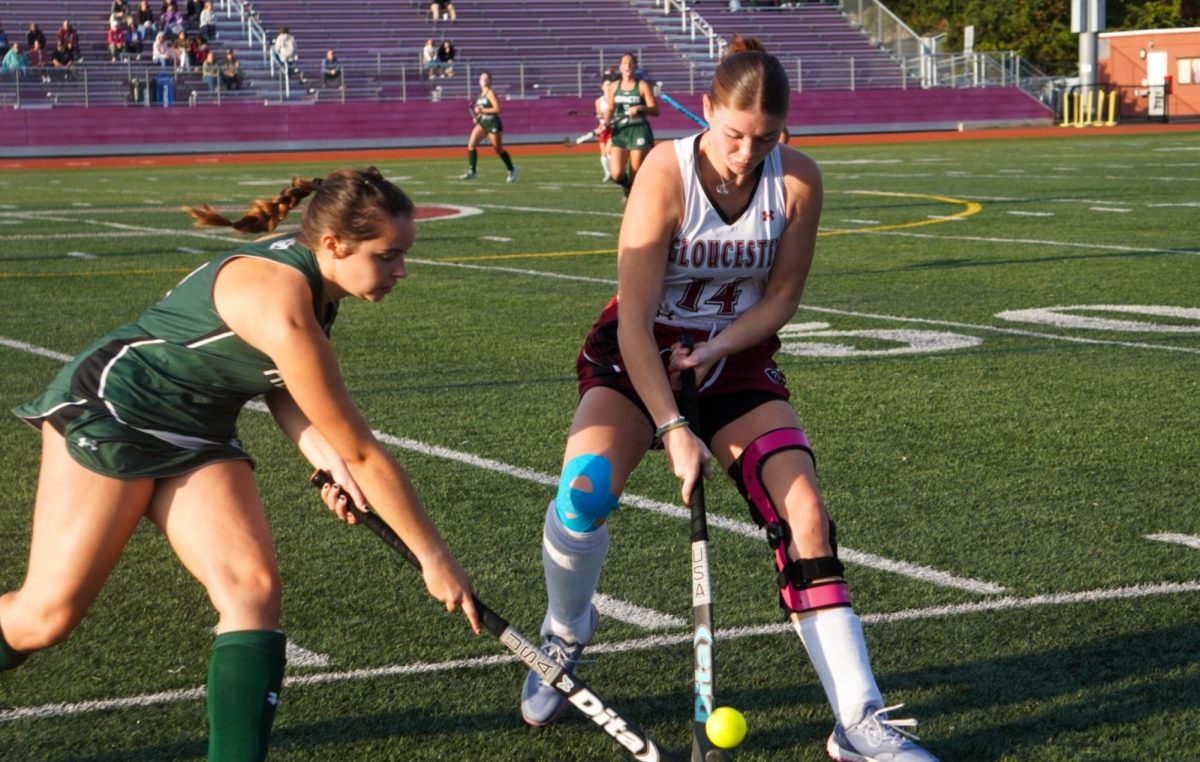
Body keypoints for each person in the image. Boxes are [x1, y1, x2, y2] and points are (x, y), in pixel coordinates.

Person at [517, 36, 940, 762]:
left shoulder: (799, 182)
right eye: (735, 134)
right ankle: (565, 631)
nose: (747, 154)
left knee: (806, 513)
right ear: (707, 109)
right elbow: (636, 317)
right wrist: (674, 425)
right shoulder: (664, 171)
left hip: (734, 358)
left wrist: (716, 349)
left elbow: (782, 299)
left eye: (766, 138)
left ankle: (858, 721)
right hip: (638, 352)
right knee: (584, 489)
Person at [0, 168, 482, 762]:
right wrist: (434, 557)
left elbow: (282, 388)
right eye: (388, 256)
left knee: (252, 595)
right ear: (333, 246)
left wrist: (329, 466)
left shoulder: (315, 287)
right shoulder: (284, 305)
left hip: (199, 431)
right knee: (44, 618)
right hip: (114, 416)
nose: (400, 271)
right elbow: (361, 447)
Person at [606, 51, 658, 201]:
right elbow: (610, 109)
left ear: (635, 66)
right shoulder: (614, 86)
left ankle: (631, 203)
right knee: (616, 173)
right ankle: (628, 188)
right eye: (624, 63)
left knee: (636, 173)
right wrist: (605, 121)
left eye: (630, 63)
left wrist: (640, 108)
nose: (627, 66)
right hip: (620, 132)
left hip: (638, 132)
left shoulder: (642, 86)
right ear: (620, 67)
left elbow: (655, 110)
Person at [459, 71, 517, 183]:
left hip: (493, 123)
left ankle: (511, 169)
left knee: (498, 149)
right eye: (482, 79)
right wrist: (478, 116)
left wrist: (482, 110)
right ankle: (472, 171)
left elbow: (497, 109)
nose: (484, 80)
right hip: (483, 123)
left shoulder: (491, 93)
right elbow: (481, 110)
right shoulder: (480, 94)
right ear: (479, 81)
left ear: (490, 80)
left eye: (486, 79)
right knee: (471, 145)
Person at [594, 67, 619, 181]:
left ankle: (614, 172)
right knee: (603, 153)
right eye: (606, 85)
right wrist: (600, 116)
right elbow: (598, 114)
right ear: (602, 87)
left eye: (610, 85)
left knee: (609, 151)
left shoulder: (615, 99)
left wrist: (609, 116)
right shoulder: (599, 101)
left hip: (613, 127)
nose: (608, 87)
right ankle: (608, 173)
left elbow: (616, 113)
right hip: (603, 128)